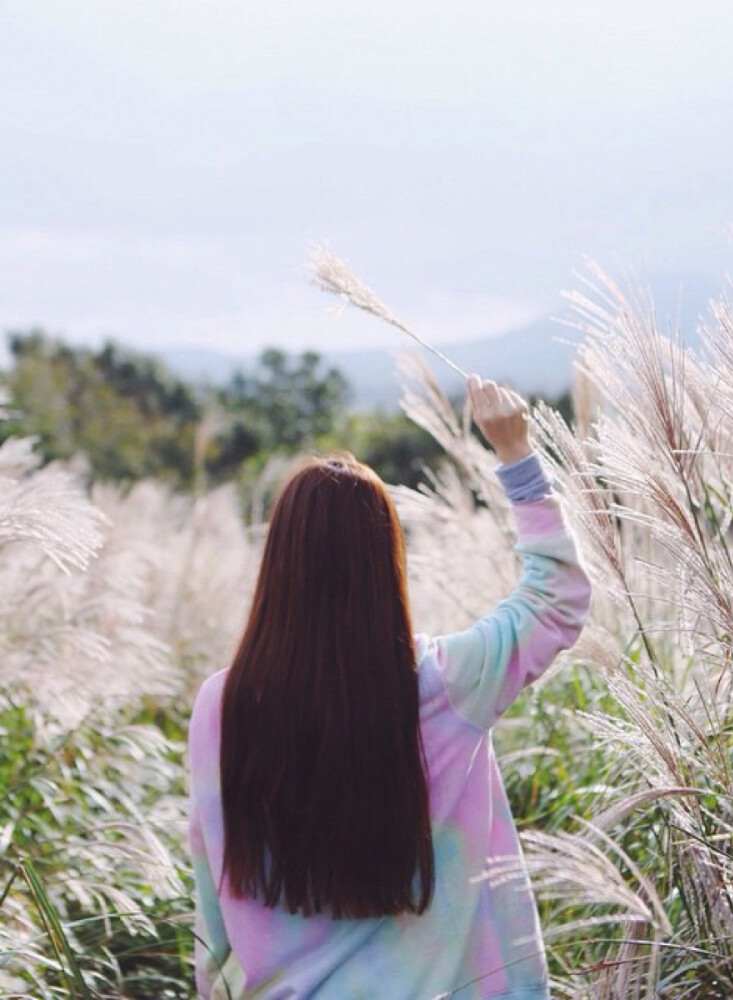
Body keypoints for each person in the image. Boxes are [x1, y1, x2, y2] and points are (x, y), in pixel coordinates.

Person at [187, 374, 592, 999]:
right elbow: (557, 597)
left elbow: (211, 878)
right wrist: (516, 454)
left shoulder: (223, 706)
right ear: (386, 563)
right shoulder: (447, 684)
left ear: (279, 566)